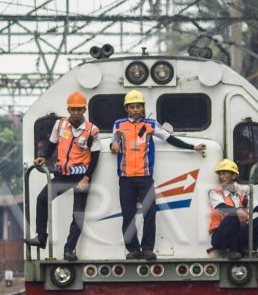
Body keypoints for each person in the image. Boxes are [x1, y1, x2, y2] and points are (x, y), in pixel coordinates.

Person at [110, 89, 205, 260]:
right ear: (126, 108)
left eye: (138, 106)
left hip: (145, 177)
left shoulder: (151, 124)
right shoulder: (119, 124)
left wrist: (192, 147)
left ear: (143, 107)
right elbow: (113, 142)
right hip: (125, 177)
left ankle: (147, 248)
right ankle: (132, 249)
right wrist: (114, 146)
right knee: (127, 214)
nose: (135, 109)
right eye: (132, 106)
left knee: (149, 212)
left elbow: (169, 138)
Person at [24, 91, 100, 261]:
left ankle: (69, 249)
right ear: (68, 109)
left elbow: (95, 157)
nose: (76, 113)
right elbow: (52, 144)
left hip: (81, 177)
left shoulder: (92, 131)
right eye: (73, 109)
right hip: (62, 175)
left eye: (79, 109)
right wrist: (43, 156)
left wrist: (86, 178)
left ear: (84, 109)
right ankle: (41, 236)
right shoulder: (60, 125)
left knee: (78, 215)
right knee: (42, 199)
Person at [207, 159, 258, 258]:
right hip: (220, 236)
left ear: (234, 176)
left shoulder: (243, 193)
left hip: (238, 234)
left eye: (224, 173)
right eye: (219, 174)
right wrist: (238, 211)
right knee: (233, 215)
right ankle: (228, 249)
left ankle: (247, 248)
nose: (221, 176)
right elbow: (220, 207)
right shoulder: (214, 193)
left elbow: (257, 207)